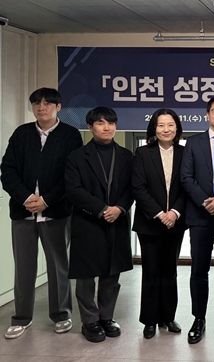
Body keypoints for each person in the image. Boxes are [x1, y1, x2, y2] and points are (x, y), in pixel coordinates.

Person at [1, 88, 82, 339]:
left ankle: (61, 314)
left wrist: (46, 200)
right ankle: (21, 318)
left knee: (58, 266)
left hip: (56, 212)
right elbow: (8, 170)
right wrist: (26, 198)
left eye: (48, 103)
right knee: (23, 267)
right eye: (37, 103)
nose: (41, 107)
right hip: (23, 212)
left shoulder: (70, 135)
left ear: (58, 107)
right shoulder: (22, 133)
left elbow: (71, 175)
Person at [64, 106, 134, 343]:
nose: (107, 128)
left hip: (117, 220)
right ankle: (90, 321)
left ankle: (106, 317)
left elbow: (132, 188)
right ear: (90, 127)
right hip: (88, 220)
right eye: (101, 123)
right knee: (86, 274)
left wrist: (120, 208)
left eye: (111, 123)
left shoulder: (126, 156)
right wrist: (102, 209)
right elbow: (73, 190)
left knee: (111, 273)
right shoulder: (77, 156)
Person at [180, 95, 214, 344]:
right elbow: (186, 178)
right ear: (207, 115)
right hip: (200, 215)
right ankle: (198, 318)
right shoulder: (193, 143)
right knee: (199, 270)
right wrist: (207, 201)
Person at [132, 109, 186, 339]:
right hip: (149, 223)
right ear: (154, 128)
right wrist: (159, 213)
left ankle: (168, 317)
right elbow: (138, 187)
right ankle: (150, 320)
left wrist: (174, 213)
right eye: (161, 125)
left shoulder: (185, 153)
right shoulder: (143, 153)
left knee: (170, 271)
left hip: (176, 222)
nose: (166, 129)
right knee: (151, 271)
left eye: (170, 125)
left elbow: (187, 185)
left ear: (177, 128)